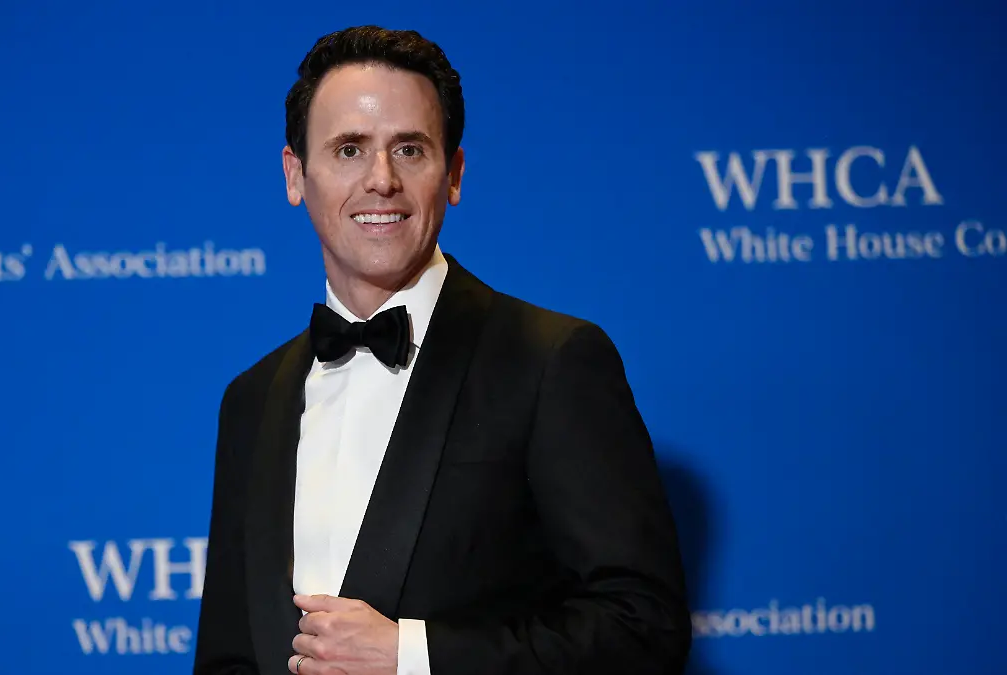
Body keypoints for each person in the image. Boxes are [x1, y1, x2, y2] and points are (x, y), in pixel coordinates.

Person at [193, 25, 691, 675]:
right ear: (295, 175)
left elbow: (642, 627)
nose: (381, 181)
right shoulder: (251, 397)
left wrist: (411, 654)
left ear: (452, 173)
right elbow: (229, 651)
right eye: (348, 149)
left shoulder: (551, 360)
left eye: (410, 149)